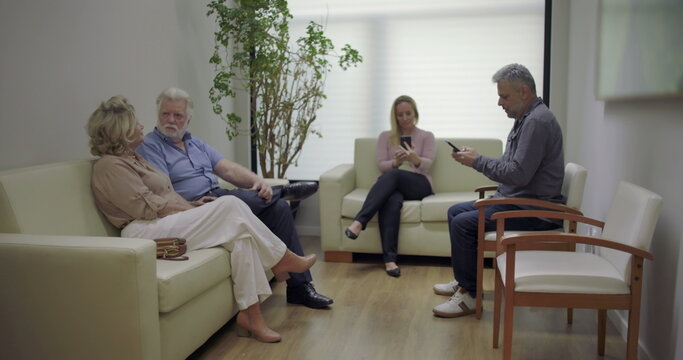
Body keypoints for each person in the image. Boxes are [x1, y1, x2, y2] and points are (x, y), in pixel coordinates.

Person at [86, 95, 317, 343]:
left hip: (160, 222)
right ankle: (282, 258)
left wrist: (194, 206)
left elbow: (166, 195)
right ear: (121, 131)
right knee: (230, 204)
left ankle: (252, 317)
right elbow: (147, 206)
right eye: (136, 123)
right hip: (141, 232)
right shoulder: (109, 166)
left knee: (242, 237)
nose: (142, 126)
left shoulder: (132, 158)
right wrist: (191, 210)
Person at [136, 87, 332, 309]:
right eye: (165, 114)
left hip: (218, 197)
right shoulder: (151, 145)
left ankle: (300, 289)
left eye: (177, 115)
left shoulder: (195, 143)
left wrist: (259, 182)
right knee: (238, 201)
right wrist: (189, 206)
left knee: (279, 209)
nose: (170, 120)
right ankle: (284, 191)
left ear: (187, 119)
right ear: (158, 114)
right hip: (196, 208)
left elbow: (228, 169)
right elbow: (164, 189)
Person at [432, 63, 565, 318]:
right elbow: (510, 165)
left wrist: (478, 161)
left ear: (524, 92)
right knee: (454, 212)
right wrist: (477, 159)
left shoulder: (537, 122)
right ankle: (465, 281)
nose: (500, 103)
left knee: (463, 223)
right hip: (518, 201)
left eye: (504, 96)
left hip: (534, 211)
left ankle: (470, 296)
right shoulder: (524, 120)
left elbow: (518, 173)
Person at [344, 95, 436, 277]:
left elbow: (427, 164)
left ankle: (359, 221)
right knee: (391, 201)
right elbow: (381, 165)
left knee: (393, 175)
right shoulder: (385, 137)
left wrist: (413, 158)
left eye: (408, 113)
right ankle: (390, 260)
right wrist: (395, 161)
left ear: (415, 113)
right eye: (400, 115)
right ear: (395, 117)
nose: (404, 118)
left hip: (419, 185)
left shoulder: (427, 136)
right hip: (393, 186)